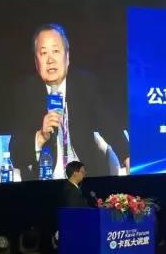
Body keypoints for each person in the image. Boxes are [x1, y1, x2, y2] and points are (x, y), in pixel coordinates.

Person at [9, 23, 129, 181]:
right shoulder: (26, 92)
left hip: (86, 180)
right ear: (36, 63)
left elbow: (108, 125)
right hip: (45, 184)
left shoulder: (85, 84)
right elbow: (16, 153)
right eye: (43, 53)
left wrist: (126, 155)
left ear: (67, 58)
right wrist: (40, 136)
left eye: (56, 51)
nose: (50, 60)